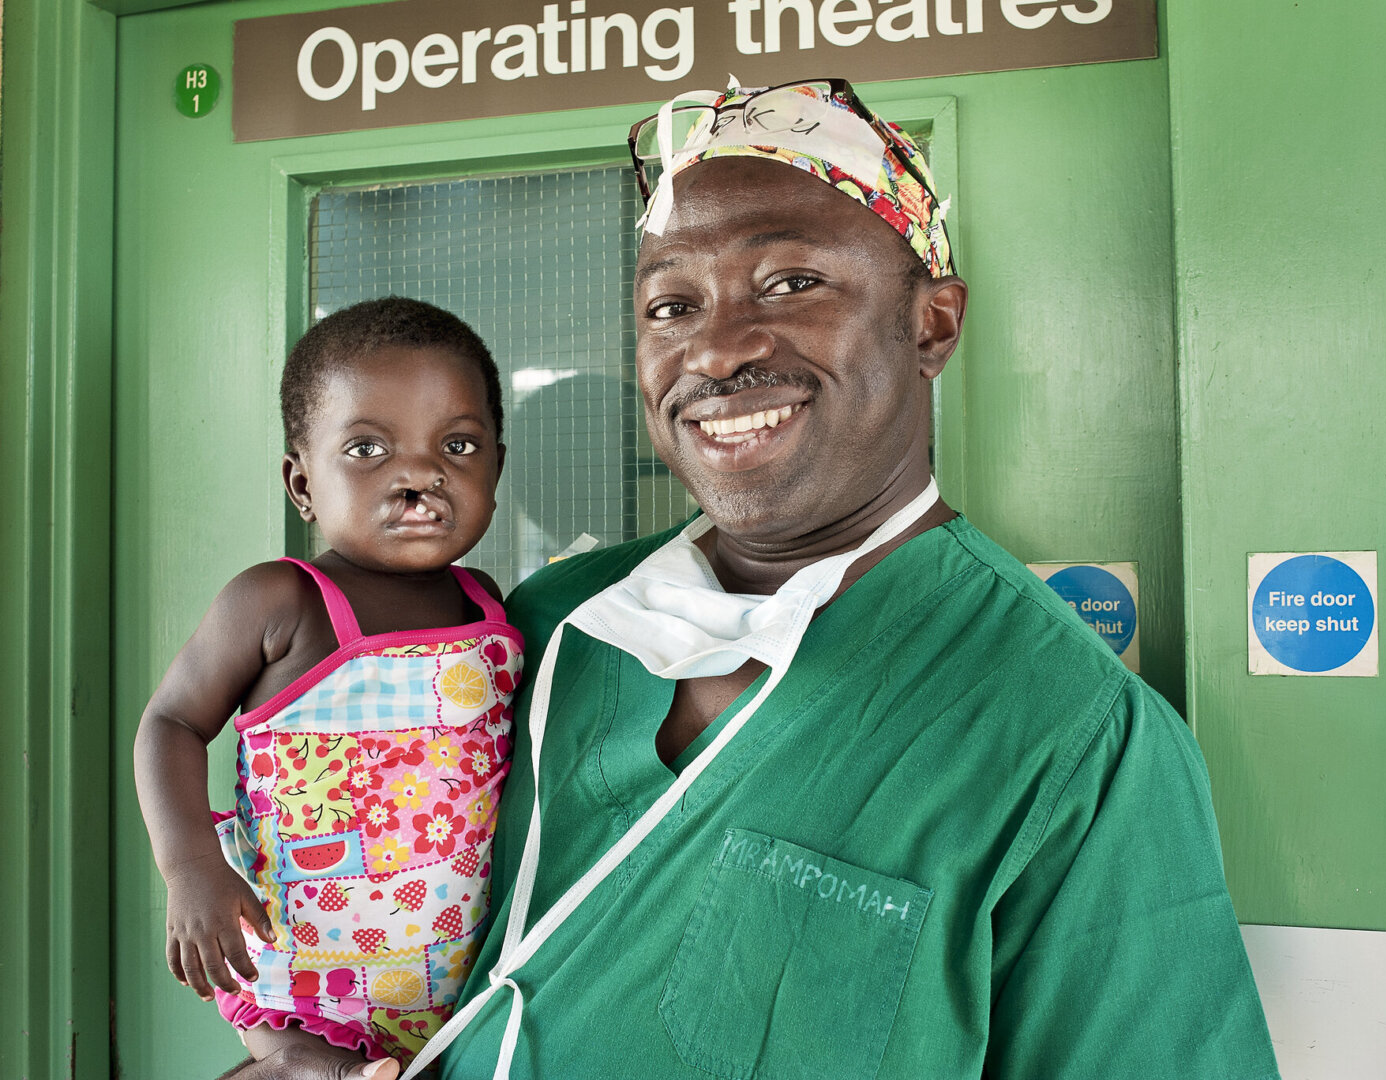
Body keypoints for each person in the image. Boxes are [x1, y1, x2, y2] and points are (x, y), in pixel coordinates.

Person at [229, 79, 1280, 1080]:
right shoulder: (541, 631)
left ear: (932, 324)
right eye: (670, 307)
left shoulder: (1066, 737)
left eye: (791, 283)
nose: (719, 352)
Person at [134, 297, 521, 1080]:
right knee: (297, 1059)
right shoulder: (281, 600)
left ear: (496, 468)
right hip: (305, 956)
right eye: (369, 447)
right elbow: (171, 721)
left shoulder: (486, 603)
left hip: (450, 958)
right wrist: (189, 866)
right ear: (302, 482)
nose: (420, 472)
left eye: (458, 443)